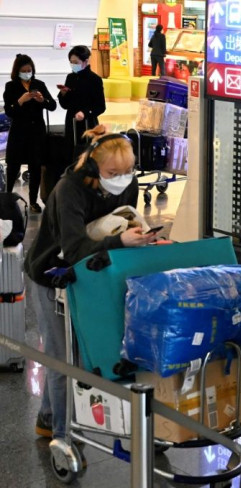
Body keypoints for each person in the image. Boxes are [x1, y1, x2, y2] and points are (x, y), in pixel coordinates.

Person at [25, 125, 160, 442]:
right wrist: (120, 242)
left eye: (128, 170)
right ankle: (63, 437)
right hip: (50, 275)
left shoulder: (128, 185)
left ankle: (47, 417)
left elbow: (125, 216)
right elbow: (73, 250)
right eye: (113, 171)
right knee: (63, 361)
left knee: (72, 354)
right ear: (91, 167)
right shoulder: (68, 191)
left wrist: (138, 236)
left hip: (90, 273)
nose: (123, 177)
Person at [2, 54, 57, 213]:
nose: (27, 73)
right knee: (13, 166)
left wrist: (42, 101)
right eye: (24, 70)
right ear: (17, 71)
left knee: (35, 166)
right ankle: (7, 199)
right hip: (19, 132)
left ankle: (34, 201)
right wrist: (21, 100)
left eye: (30, 70)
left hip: (36, 133)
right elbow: (9, 111)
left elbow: (52, 105)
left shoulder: (39, 84)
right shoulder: (11, 86)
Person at [58, 45, 106, 163]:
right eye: (71, 62)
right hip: (71, 122)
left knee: (86, 156)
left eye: (76, 62)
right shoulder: (70, 77)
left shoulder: (95, 79)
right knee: (70, 155)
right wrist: (63, 94)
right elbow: (65, 105)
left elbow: (101, 106)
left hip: (87, 124)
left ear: (85, 61)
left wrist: (85, 113)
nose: (73, 65)